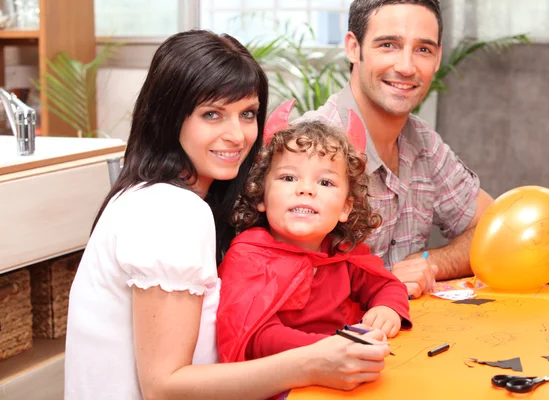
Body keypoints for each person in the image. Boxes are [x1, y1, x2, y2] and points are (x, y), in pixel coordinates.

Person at [64, 30, 391, 400]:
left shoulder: (157, 195)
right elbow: (163, 388)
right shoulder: (170, 211)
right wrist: (313, 360)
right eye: (212, 114)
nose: (237, 135)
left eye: (247, 114)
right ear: (170, 118)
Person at [301, 0, 494, 298]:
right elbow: (286, 287)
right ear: (354, 47)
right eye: (388, 45)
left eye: (423, 49)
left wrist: (429, 263)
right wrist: (386, 281)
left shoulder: (424, 143)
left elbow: (495, 230)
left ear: (438, 57)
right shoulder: (309, 148)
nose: (406, 67)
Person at [217, 116, 412, 363]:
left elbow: (387, 285)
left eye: (325, 182)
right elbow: (257, 337)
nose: (306, 189)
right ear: (261, 197)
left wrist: (387, 308)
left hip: (346, 368)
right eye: (289, 178)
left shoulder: (343, 254)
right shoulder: (248, 258)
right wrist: (329, 347)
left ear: (345, 208)